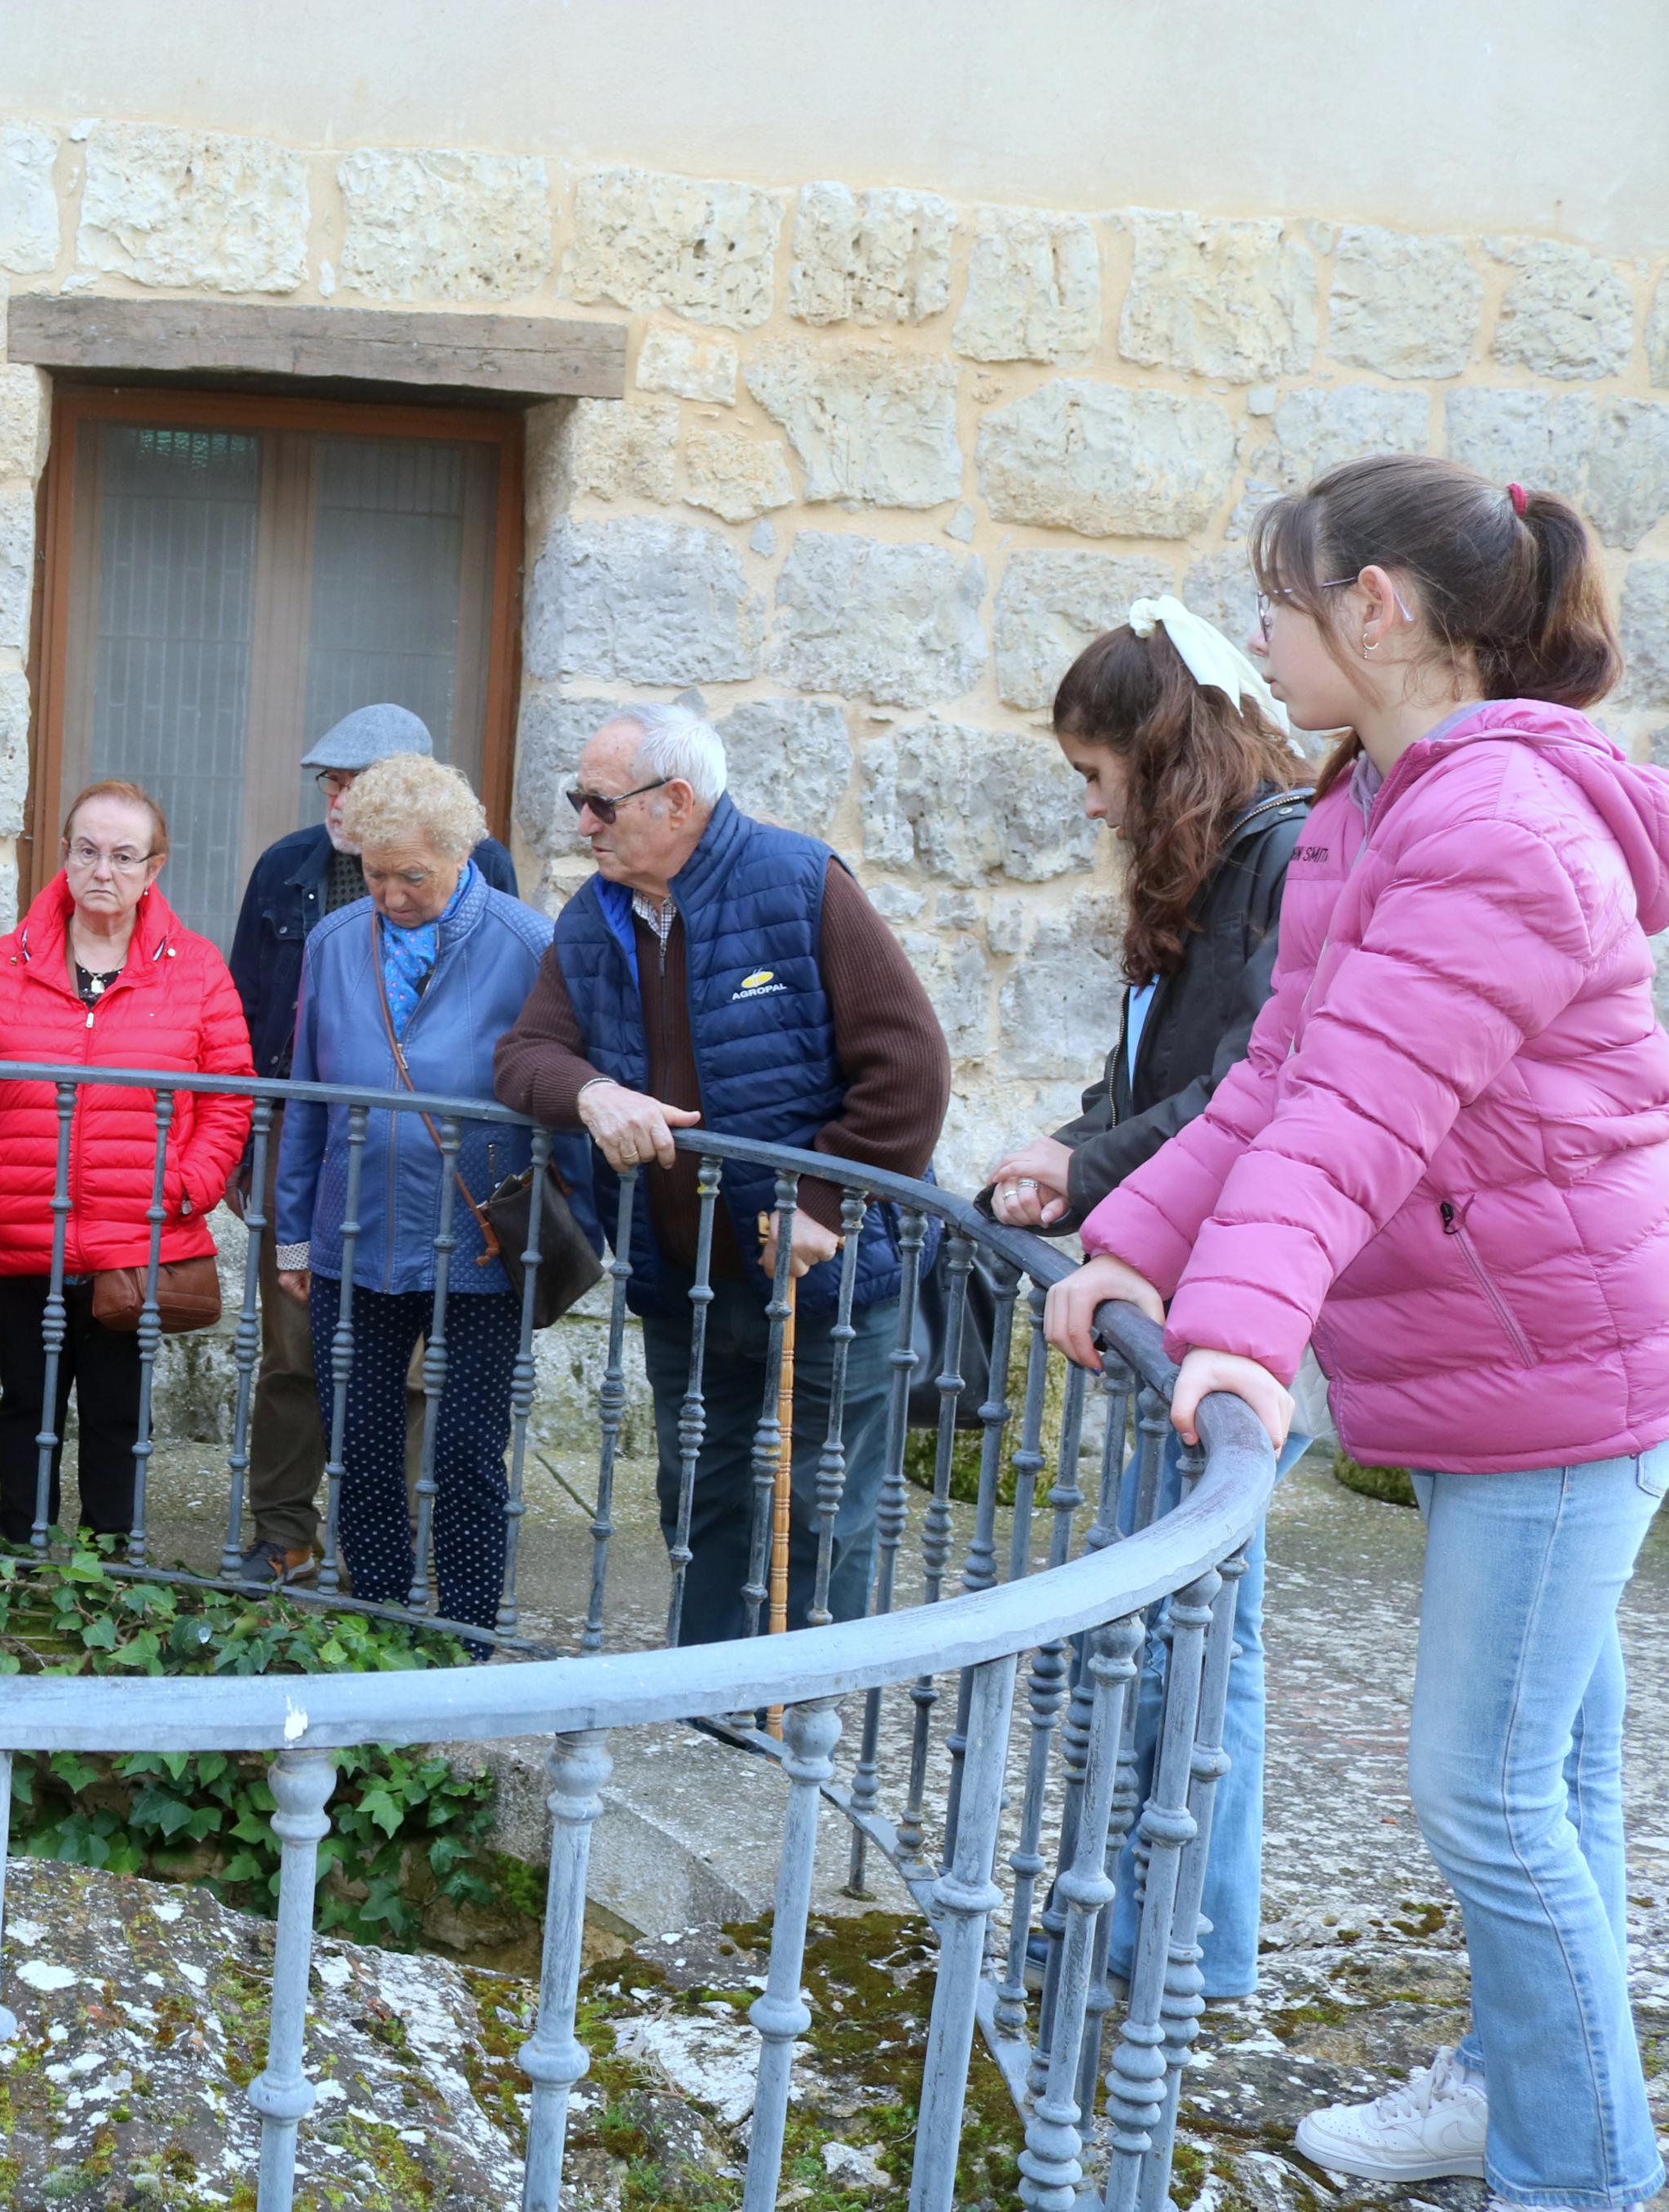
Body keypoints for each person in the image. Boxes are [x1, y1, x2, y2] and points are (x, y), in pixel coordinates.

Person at [1049, 457, 1669, 2212]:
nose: (1253, 633)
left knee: (1483, 1799)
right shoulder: (1368, 803)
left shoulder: (1489, 829)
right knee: (1540, 1778)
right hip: (1512, 1356)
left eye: (1278, 597)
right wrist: (1130, 1251)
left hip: (1563, 1374)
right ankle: (1510, 2084)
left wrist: (1236, 1324)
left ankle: (1584, 2176)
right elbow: (1273, 1081)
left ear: (1376, 610)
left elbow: (1363, 1115)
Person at [984, 603, 1312, 2009]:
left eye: (1092, 769)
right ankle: (1176, 1936)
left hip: (1246, 1303)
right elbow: (1156, 1083)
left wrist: (1086, 1164)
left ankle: (1162, 1943)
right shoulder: (1226, 867)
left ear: (1160, 754)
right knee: (1181, 1636)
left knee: (1182, 1641)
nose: (1085, 801)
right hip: (1188, 1289)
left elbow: (1253, 1088)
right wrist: (1071, 1151)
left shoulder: (1284, 863)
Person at [494, 702, 947, 1645]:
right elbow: (525, 1055)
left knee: (825, 1511)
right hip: (686, 1280)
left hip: (824, 1274)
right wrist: (589, 1094)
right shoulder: (594, 918)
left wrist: (821, 1200)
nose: (582, 823)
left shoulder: (796, 883)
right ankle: (709, 1702)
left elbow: (907, 1066)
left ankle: (816, 1712)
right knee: (697, 1496)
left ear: (676, 801)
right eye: (577, 801)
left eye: (599, 803)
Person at [229, 703, 516, 1582]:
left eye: (357, 783)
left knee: (431, 1398)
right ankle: (301, 1541)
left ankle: (418, 1570)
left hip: (458, 1196)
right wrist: (261, 1167)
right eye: (331, 784)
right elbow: (260, 1021)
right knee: (302, 1368)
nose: (341, 800)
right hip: (322, 1167)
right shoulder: (292, 876)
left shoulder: (501, 903)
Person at [269, 753, 552, 1628]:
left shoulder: (526, 945)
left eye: (411, 876)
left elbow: (560, 1093)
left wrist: (558, 1235)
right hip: (352, 1227)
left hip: (479, 1237)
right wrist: (290, 1232)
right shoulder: (330, 941)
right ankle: (380, 1614)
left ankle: (465, 1624)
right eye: (373, 873)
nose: (388, 894)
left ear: (460, 854)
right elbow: (307, 1095)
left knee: (467, 1444)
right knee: (357, 1439)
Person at [0, 781, 254, 1550]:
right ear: (64, 856)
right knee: (27, 1405)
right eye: (86, 850)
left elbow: (230, 1098)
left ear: (154, 869)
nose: (101, 870)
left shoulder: (197, 971)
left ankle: (112, 1563)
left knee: (119, 1412)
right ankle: (20, 1552)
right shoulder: (5, 963)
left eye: (123, 855)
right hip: (24, 1229)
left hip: (136, 1236)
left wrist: (188, 1184)